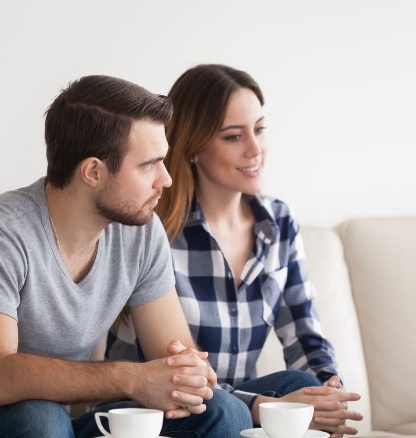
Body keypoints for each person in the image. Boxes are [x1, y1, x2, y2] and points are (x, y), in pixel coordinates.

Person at [0, 75, 252, 437]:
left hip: (59, 429)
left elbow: (172, 356)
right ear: (93, 171)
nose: (166, 179)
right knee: (40, 419)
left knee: (224, 412)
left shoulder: (140, 232)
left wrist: (189, 376)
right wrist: (131, 377)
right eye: (149, 165)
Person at [106, 64, 364, 436]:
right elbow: (174, 374)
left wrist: (328, 392)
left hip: (237, 405)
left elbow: (304, 333)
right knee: (229, 412)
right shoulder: (153, 230)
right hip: (158, 407)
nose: (255, 149)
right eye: (233, 136)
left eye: (259, 129)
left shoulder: (278, 223)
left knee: (298, 382)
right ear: (194, 146)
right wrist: (260, 407)